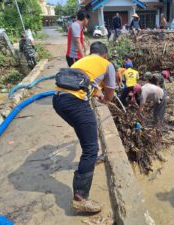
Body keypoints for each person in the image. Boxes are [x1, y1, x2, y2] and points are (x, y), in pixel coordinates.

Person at [53, 42, 116, 213]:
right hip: (74, 103)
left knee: (86, 138)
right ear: (105, 55)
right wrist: (105, 99)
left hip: (58, 101)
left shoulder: (81, 62)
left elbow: (89, 85)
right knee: (90, 148)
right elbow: (109, 92)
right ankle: (80, 198)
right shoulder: (107, 65)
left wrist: (97, 92)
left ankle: (88, 163)